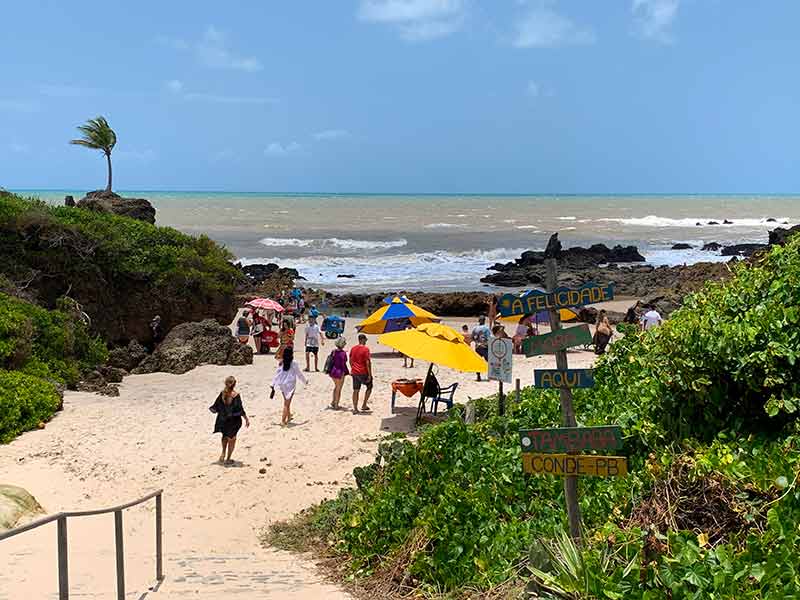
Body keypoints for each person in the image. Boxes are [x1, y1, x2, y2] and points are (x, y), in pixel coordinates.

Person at [209, 376, 249, 465]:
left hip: (223, 419)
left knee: (225, 436)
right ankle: (228, 458)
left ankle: (223, 452)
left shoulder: (222, 394)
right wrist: (246, 418)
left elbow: (216, 406)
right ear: (235, 384)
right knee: (232, 438)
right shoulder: (236, 395)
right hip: (234, 421)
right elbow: (240, 409)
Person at [272, 347, 308, 426]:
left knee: (286, 401)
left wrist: (273, 384)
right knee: (286, 403)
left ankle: (289, 417)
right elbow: (299, 374)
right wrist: (305, 381)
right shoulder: (294, 363)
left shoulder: (281, 362)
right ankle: (283, 420)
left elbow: (277, 374)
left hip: (282, 384)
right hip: (290, 385)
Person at [350, 334, 373, 414]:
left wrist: (352, 368)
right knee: (369, 387)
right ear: (362, 339)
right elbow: (367, 362)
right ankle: (364, 404)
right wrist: (370, 374)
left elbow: (350, 360)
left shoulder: (353, 348)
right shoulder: (366, 349)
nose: (366, 341)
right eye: (365, 340)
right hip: (363, 372)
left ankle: (355, 408)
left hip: (354, 372)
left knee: (356, 390)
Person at [328, 337, 349, 410]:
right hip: (339, 372)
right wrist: (346, 372)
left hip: (333, 371)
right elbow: (344, 363)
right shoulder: (343, 353)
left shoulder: (333, 351)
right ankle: (336, 404)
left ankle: (333, 402)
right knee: (339, 389)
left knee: (336, 387)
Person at [471, 316, 491, 381]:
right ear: (484, 320)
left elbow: (472, 338)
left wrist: (477, 342)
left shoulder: (475, 328)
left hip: (477, 347)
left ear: (478, 320)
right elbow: (489, 338)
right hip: (485, 347)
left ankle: (478, 376)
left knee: (478, 362)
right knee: (489, 362)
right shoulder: (487, 329)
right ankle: (490, 375)